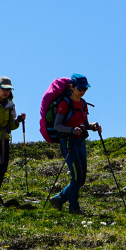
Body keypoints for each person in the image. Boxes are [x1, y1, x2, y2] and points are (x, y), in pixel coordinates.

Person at [49, 74, 101, 214]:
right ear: (72, 87)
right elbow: (57, 125)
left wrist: (93, 126)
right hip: (67, 142)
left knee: (81, 177)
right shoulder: (65, 103)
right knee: (77, 175)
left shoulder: (83, 103)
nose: (83, 91)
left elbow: (85, 124)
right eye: (80, 88)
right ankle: (74, 207)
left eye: (85, 88)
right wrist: (72, 130)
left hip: (80, 142)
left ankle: (59, 199)